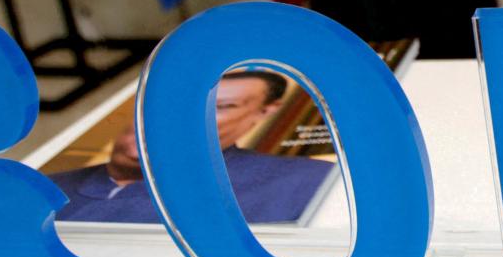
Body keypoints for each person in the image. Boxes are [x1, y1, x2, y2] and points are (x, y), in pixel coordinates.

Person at [48, 70, 334, 224]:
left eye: (221, 107)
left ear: (265, 112)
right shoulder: (48, 187)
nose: (184, 120)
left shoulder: (302, 181)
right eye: (173, 105)